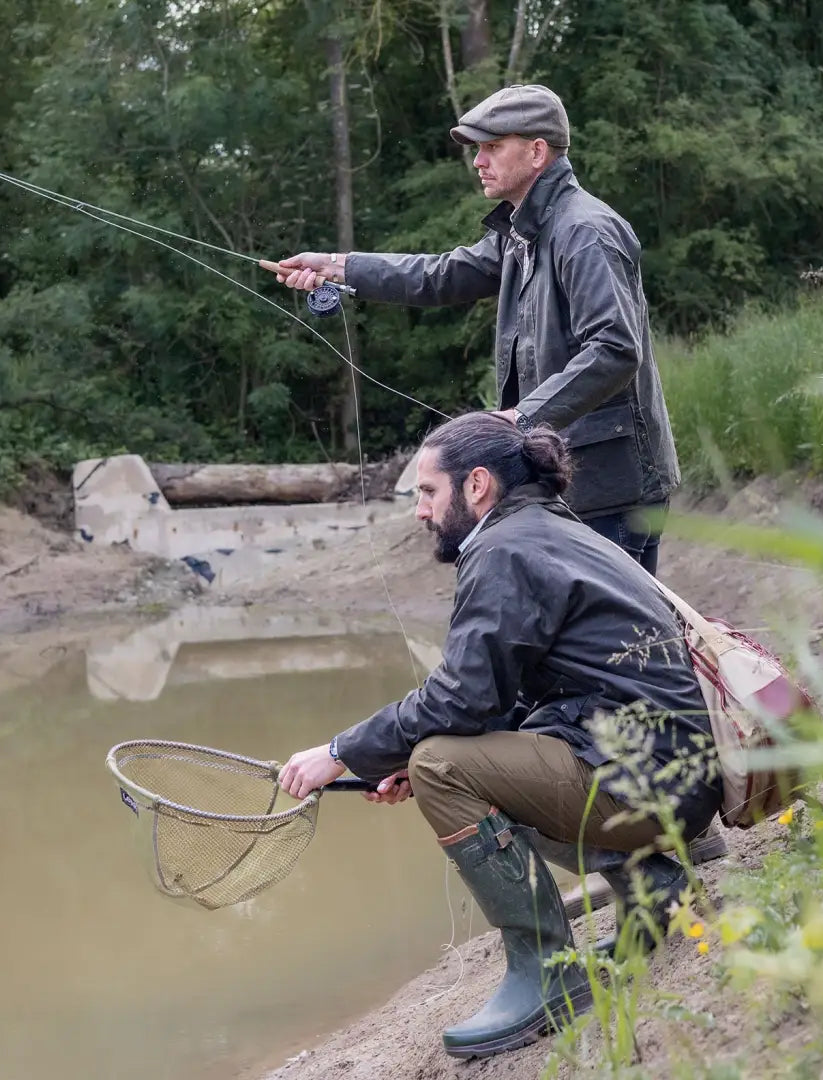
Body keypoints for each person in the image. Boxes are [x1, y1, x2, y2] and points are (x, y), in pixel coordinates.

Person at [277, 412, 722, 1060]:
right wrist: (407, 755)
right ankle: (652, 897)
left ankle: (548, 974)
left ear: (477, 485)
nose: (420, 511)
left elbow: (459, 696)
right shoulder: (549, 528)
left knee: (438, 768)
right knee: (439, 759)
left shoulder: (503, 549)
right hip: (675, 777)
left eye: (428, 493)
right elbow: (503, 697)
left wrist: (339, 752)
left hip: (649, 781)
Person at [272, 82, 680, 576]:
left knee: (611, 644)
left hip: (611, 487)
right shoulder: (521, 231)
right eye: (478, 149)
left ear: (536, 152)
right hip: (568, 477)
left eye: (492, 146)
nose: (478, 161)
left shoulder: (584, 232)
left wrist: (521, 418)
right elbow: (439, 276)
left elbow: (614, 349)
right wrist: (338, 266)